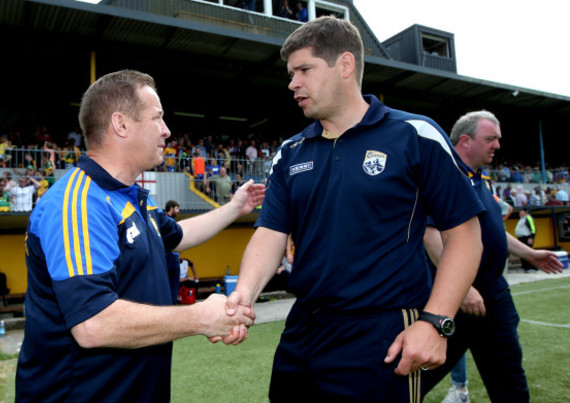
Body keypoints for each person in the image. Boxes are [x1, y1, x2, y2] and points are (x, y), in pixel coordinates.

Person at [224, 17, 484, 402]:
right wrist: (244, 293)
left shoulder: (415, 134)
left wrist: (435, 321)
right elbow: (271, 233)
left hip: (382, 333)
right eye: (291, 73)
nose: (293, 82)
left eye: (304, 69)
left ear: (345, 65)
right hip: (303, 331)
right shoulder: (290, 152)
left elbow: (465, 236)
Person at [15, 69, 264, 402]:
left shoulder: (130, 197)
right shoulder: (77, 204)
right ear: (121, 124)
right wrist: (201, 317)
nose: (167, 130)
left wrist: (235, 207)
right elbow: (93, 323)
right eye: (157, 118)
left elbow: (177, 235)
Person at [422, 111, 564, 402]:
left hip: (493, 296)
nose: (497, 146)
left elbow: (495, 230)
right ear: (465, 140)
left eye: (498, 139)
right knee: (414, 376)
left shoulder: (482, 178)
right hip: (453, 297)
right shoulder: (443, 174)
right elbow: (429, 234)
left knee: (510, 381)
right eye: (490, 139)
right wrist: (461, 288)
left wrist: (531, 254)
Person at [164, 199, 182, 303]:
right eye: (177, 208)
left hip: (168, 257)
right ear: (171, 208)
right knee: (173, 286)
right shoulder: (169, 222)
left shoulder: (165, 221)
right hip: (171, 257)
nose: (178, 211)